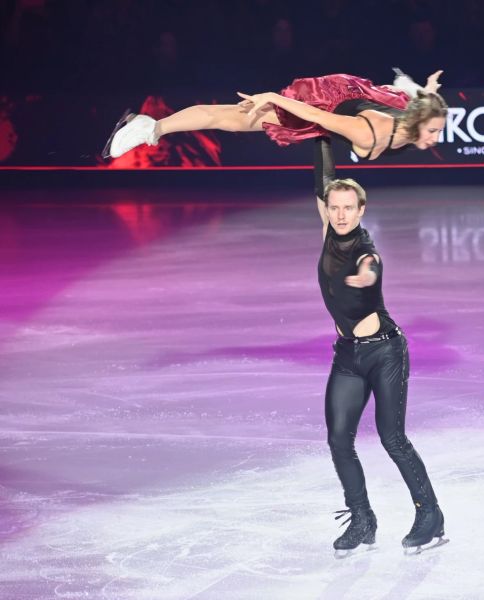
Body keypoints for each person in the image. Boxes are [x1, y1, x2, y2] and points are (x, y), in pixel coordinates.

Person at [317, 177, 447, 558]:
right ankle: (363, 520)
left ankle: (431, 515)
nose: (340, 215)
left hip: (385, 353)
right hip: (347, 355)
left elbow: (371, 267)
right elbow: (320, 165)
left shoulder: (365, 249)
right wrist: (311, 121)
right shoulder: (328, 230)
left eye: (348, 208)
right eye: (334, 207)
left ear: (361, 211)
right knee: (339, 439)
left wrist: (366, 277)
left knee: (392, 438)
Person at [103, 69, 447, 161]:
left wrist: (427, 90)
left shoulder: (410, 116)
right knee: (231, 118)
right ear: (418, 123)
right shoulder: (370, 133)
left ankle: (152, 125)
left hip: (359, 96)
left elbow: (416, 100)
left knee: (231, 117)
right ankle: (149, 127)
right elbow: (318, 117)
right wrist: (272, 99)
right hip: (325, 100)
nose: (435, 139)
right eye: (433, 131)